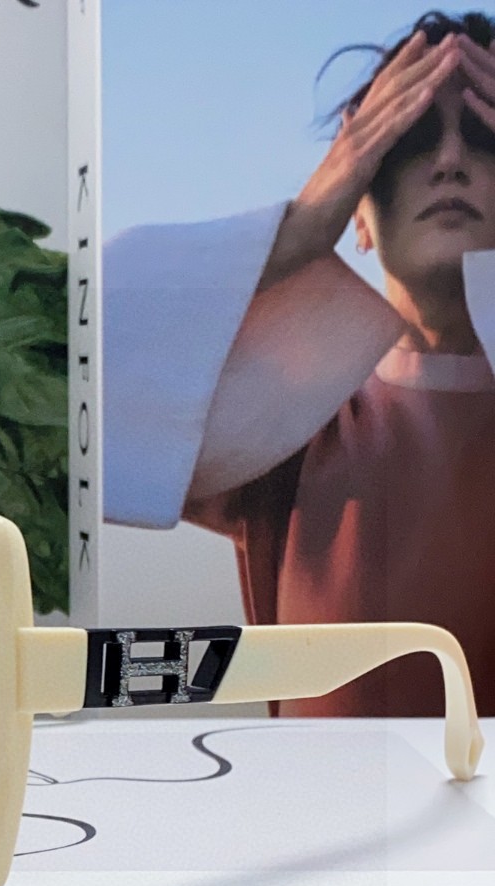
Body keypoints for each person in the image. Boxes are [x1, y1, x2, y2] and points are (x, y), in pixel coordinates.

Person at [104, 11, 495, 716]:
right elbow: (47, 386)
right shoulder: (295, 417)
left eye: (485, 136)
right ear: (361, 217)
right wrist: (297, 230)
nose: (448, 159)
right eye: (406, 139)